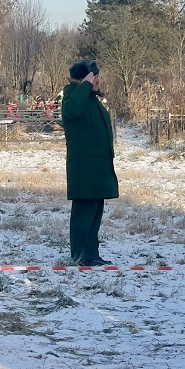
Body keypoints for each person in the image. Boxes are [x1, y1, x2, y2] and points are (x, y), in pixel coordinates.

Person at [61, 59, 119, 267]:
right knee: (83, 212)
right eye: (95, 76)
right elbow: (73, 111)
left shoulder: (90, 98)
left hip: (98, 167)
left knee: (95, 212)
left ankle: (92, 253)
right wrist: (85, 85)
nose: (98, 80)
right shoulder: (72, 97)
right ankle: (80, 254)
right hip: (84, 167)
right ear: (86, 78)